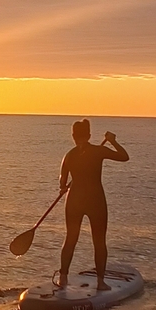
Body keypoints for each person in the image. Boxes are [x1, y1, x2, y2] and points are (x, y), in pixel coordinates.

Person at [56, 119, 129, 292]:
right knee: (99, 241)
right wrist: (112, 141)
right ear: (88, 135)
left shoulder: (69, 155)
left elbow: (62, 180)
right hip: (95, 200)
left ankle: (63, 278)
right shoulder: (98, 151)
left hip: (74, 200)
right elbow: (124, 156)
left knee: (70, 239)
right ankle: (101, 282)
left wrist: (64, 187)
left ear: (73, 136)